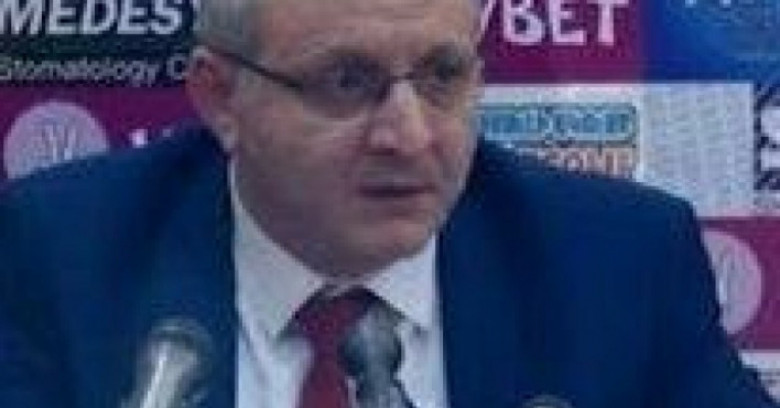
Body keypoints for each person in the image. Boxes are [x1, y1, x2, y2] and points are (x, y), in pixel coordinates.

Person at [0, 0, 776, 407]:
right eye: (347, 81)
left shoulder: (619, 262)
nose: (408, 134)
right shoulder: (61, 253)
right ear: (221, 97)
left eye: (442, 76)